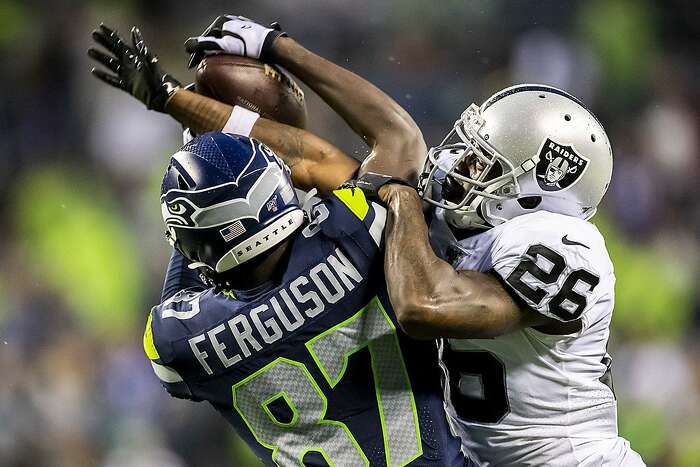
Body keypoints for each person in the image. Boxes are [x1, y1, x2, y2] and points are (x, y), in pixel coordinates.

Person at [89, 16, 644, 466]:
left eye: (484, 159)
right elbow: (326, 156)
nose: (461, 162)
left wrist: (183, 106)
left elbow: (424, 302)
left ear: (530, 191)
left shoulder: (563, 244)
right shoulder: (368, 236)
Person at [90, 24, 472, 467]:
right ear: (276, 187)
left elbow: (196, 251)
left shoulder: (177, 341)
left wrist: (200, 147)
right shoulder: (355, 235)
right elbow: (393, 142)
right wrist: (273, 50)